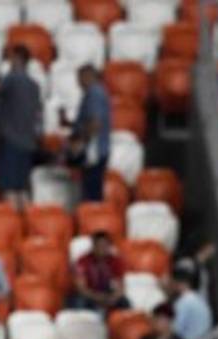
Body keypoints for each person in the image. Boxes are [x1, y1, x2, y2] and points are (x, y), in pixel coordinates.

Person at [0, 46, 42, 210]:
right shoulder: (34, 85)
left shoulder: (12, 79)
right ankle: (25, 221)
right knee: (22, 188)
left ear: (18, 59)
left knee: (9, 188)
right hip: (28, 142)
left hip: (11, 140)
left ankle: (12, 219)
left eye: (11, 58)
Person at [71, 64, 111, 203]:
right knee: (91, 192)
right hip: (94, 151)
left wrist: (80, 142)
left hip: (93, 151)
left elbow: (95, 123)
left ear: (87, 76)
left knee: (92, 195)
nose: (78, 82)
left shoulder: (95, 94)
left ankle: (95, 216)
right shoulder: (94, 93)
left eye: (79, 78)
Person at [71, 232, 127, 311]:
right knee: (78, 302)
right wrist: (97, 297)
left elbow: (120, 286)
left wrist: (114, 298)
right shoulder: (83, 261)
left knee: (124, 302)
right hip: (90, 295)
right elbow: (81, 288)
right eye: (99, 246)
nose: (102, 249)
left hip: (108, 295)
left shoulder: (115, 261)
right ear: (93, 246)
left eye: (105, 246)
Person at [167, 260, 213, 339]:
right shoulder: (200, 299)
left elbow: (174, 331)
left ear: (178, 283)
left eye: (172, 282)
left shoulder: (183, 303)